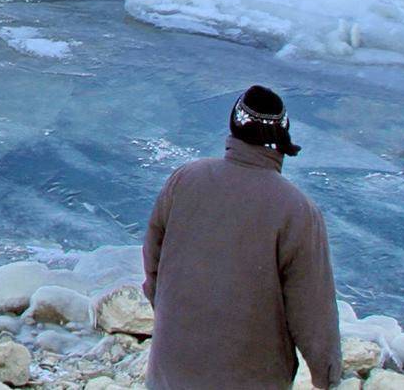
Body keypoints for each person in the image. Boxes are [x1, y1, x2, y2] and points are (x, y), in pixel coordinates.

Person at [142, 85, 343, 390]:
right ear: (281, 138)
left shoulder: (185, 179)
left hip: (169, 374)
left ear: (234, 127)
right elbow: (313, 313)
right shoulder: (297, 210)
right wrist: (327, 376)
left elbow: (153, 263)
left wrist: (175, 320)